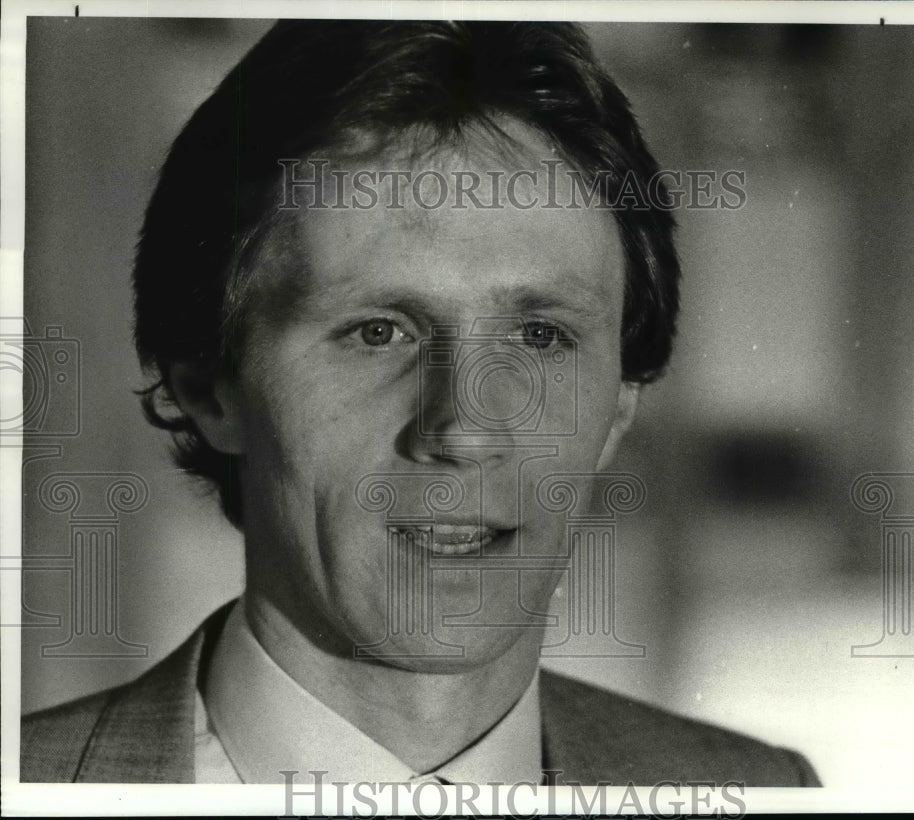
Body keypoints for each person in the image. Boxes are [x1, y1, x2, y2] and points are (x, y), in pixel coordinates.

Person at [21, 19, 820, 787]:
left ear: (619, 405)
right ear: (207, 387)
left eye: (539, 337)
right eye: (378, 332)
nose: (464, 429)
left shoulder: (759, 790)